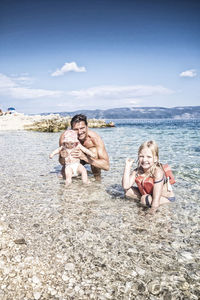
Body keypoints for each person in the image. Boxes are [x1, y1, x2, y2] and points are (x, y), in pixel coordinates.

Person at [122, 140, 175, 212]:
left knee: (144, 198)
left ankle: (145, 202)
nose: (144, 159)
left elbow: (156, 201)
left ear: (155, 159)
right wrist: (127, 166)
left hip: (165, 198)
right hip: (148, 195)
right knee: (128, 191)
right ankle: (145, 202)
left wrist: (150, 216)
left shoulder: (157, 172)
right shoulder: (137, 171)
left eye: (149, 157)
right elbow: (125, 186)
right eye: (141, 156)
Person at [59, 114, 109, 181]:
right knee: (64, 176)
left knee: (93, 151)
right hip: (73, 160)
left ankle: (97, 181)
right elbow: (62, 162)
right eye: (76, 129)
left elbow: (106, 166)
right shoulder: (66, 138)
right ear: (71, 129)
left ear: (87, 127)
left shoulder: (94, 138)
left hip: (88, 157)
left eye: (82, 128)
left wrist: (84, 157)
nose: (79, 132)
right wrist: (63, 157)